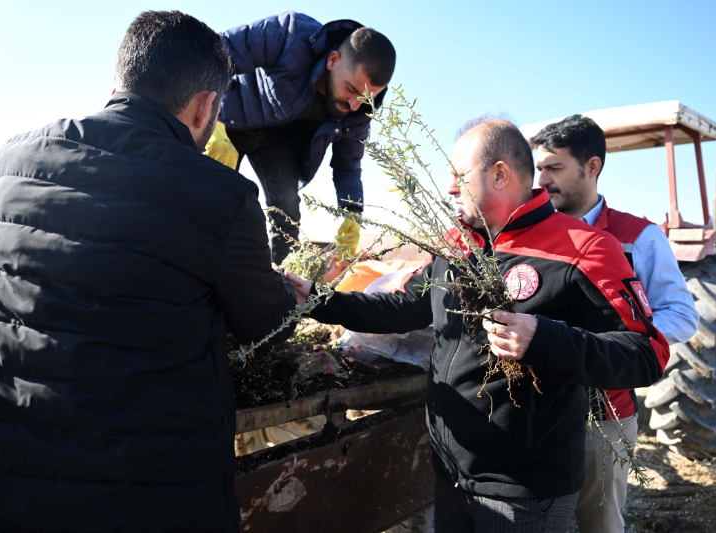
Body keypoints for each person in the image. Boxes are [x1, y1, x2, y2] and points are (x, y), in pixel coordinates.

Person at [0, 11, 296, 533]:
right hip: (143, 504)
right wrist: (290, 294)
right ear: (207, 107)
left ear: (116, 82)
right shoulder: (222, 195)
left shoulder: (14, 160)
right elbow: (263, 322)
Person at [285, 118, 670, 533]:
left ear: (499, 173)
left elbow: (647, 354)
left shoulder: (584, 248)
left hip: (526, 495)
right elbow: (403, 307)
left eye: (458, 175)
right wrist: (318, 301)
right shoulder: (458, 245)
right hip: (453, 478)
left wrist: (545, 339)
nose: (450, 187)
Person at [530, 115, 699, 533]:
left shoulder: (638, 237)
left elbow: (681, 316)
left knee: (598, 522)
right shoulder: (530, 233)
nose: (542, 180)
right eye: (539, 168)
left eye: (554, 168)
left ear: (592, 167)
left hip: (601, 416)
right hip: (535, 409)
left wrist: (592, 344)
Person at [211, 11, 396, 264]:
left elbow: (348, 164)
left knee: (287, 216)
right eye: (351, 89)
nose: (354, 104)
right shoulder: (292, 35)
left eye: (365, 98)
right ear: (332, 60)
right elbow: (218, 52)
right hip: (231, 118)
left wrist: (353, 214)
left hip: (278, 141)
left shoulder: (359, 112)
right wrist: (212, 119)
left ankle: (283, 287)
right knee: (212, 195)